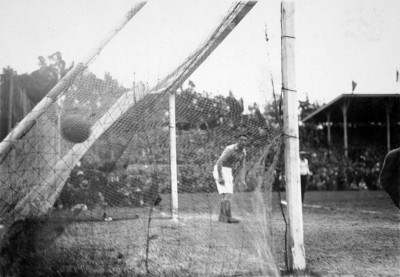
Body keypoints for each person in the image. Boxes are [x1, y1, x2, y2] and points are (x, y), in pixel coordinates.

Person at [213, 133, 248, 223]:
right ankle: (226, 218)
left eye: (245, 140)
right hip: (220, 169)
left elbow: (242, 167)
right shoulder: (230, 149)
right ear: (238, 140)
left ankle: (225, 218)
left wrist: (243, 180)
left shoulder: (243, 152)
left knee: (226, 195)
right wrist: (220, 176)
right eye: (241, 140)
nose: (243, 142)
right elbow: (220, 162)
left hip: (228, 171)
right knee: (228, 194)